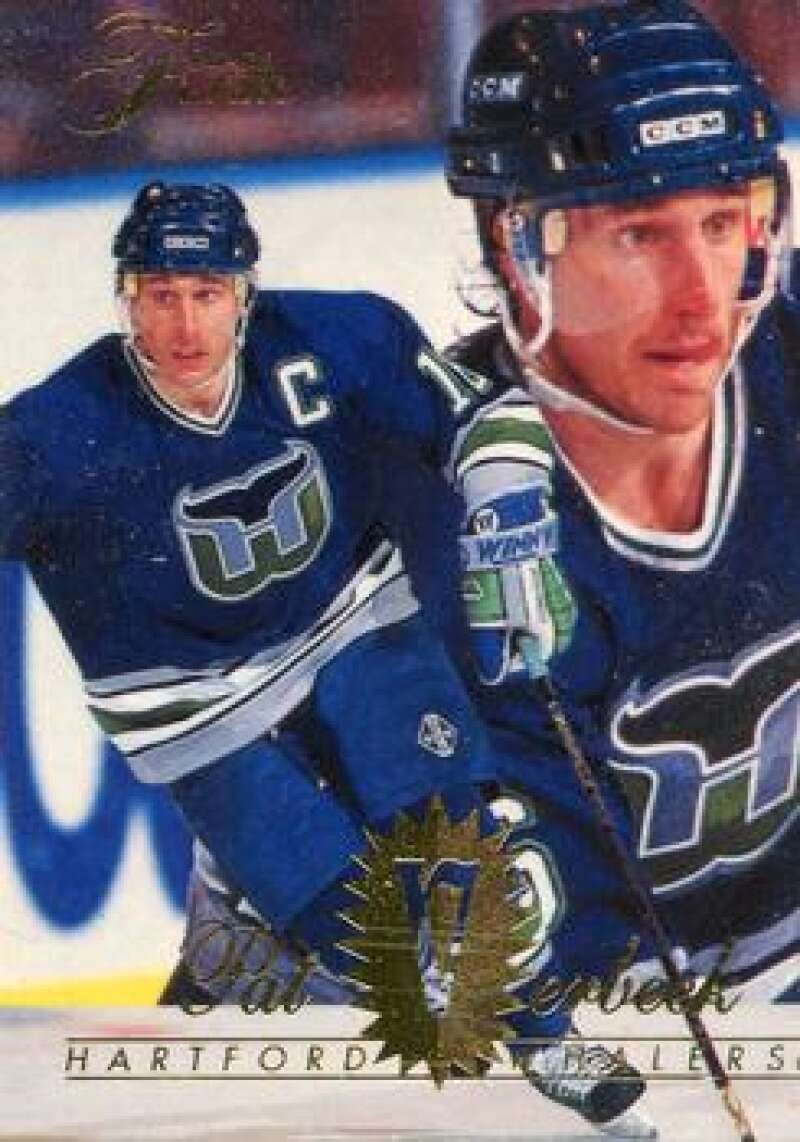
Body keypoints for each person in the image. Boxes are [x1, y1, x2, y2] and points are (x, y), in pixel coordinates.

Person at [0, 180, 657, 1137]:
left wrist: (507, 504)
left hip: (355, 628)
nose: (185, 323)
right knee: (387, 959)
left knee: (460, 854)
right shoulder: (54, 432)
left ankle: (547, 1039)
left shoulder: (332, 339)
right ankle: (254, 921)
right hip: (194, 705)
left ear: (245, 292)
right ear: (126, 299)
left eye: (208, 292)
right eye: (160, 295)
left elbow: (482, 416)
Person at [444, 0, 798, 994]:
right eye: (639, 235)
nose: (698, 296)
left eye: (720, 223)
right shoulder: (429, 505)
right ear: (515, 247)